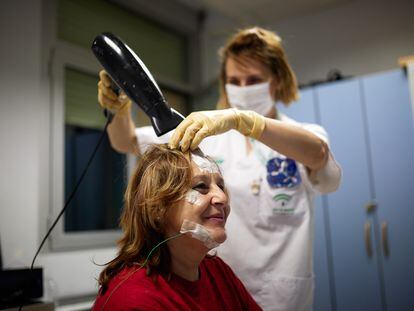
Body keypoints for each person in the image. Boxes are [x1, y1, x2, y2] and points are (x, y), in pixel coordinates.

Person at [97, 27, 341, 310]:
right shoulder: (205, 134)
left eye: (254, 80)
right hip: (218, 289)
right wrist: (118, 109)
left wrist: (243, 120)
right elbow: (125, 141)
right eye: (234, 81)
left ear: (277, 81)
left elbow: (319, 154)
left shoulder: (301, 135)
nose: (221, 198)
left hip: (284, 295)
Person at [92, 144, 261, 310]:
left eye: (221, 186)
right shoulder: (134, 300)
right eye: (201, 186)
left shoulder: (217, 271)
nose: (222, 197)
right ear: (157, 207)